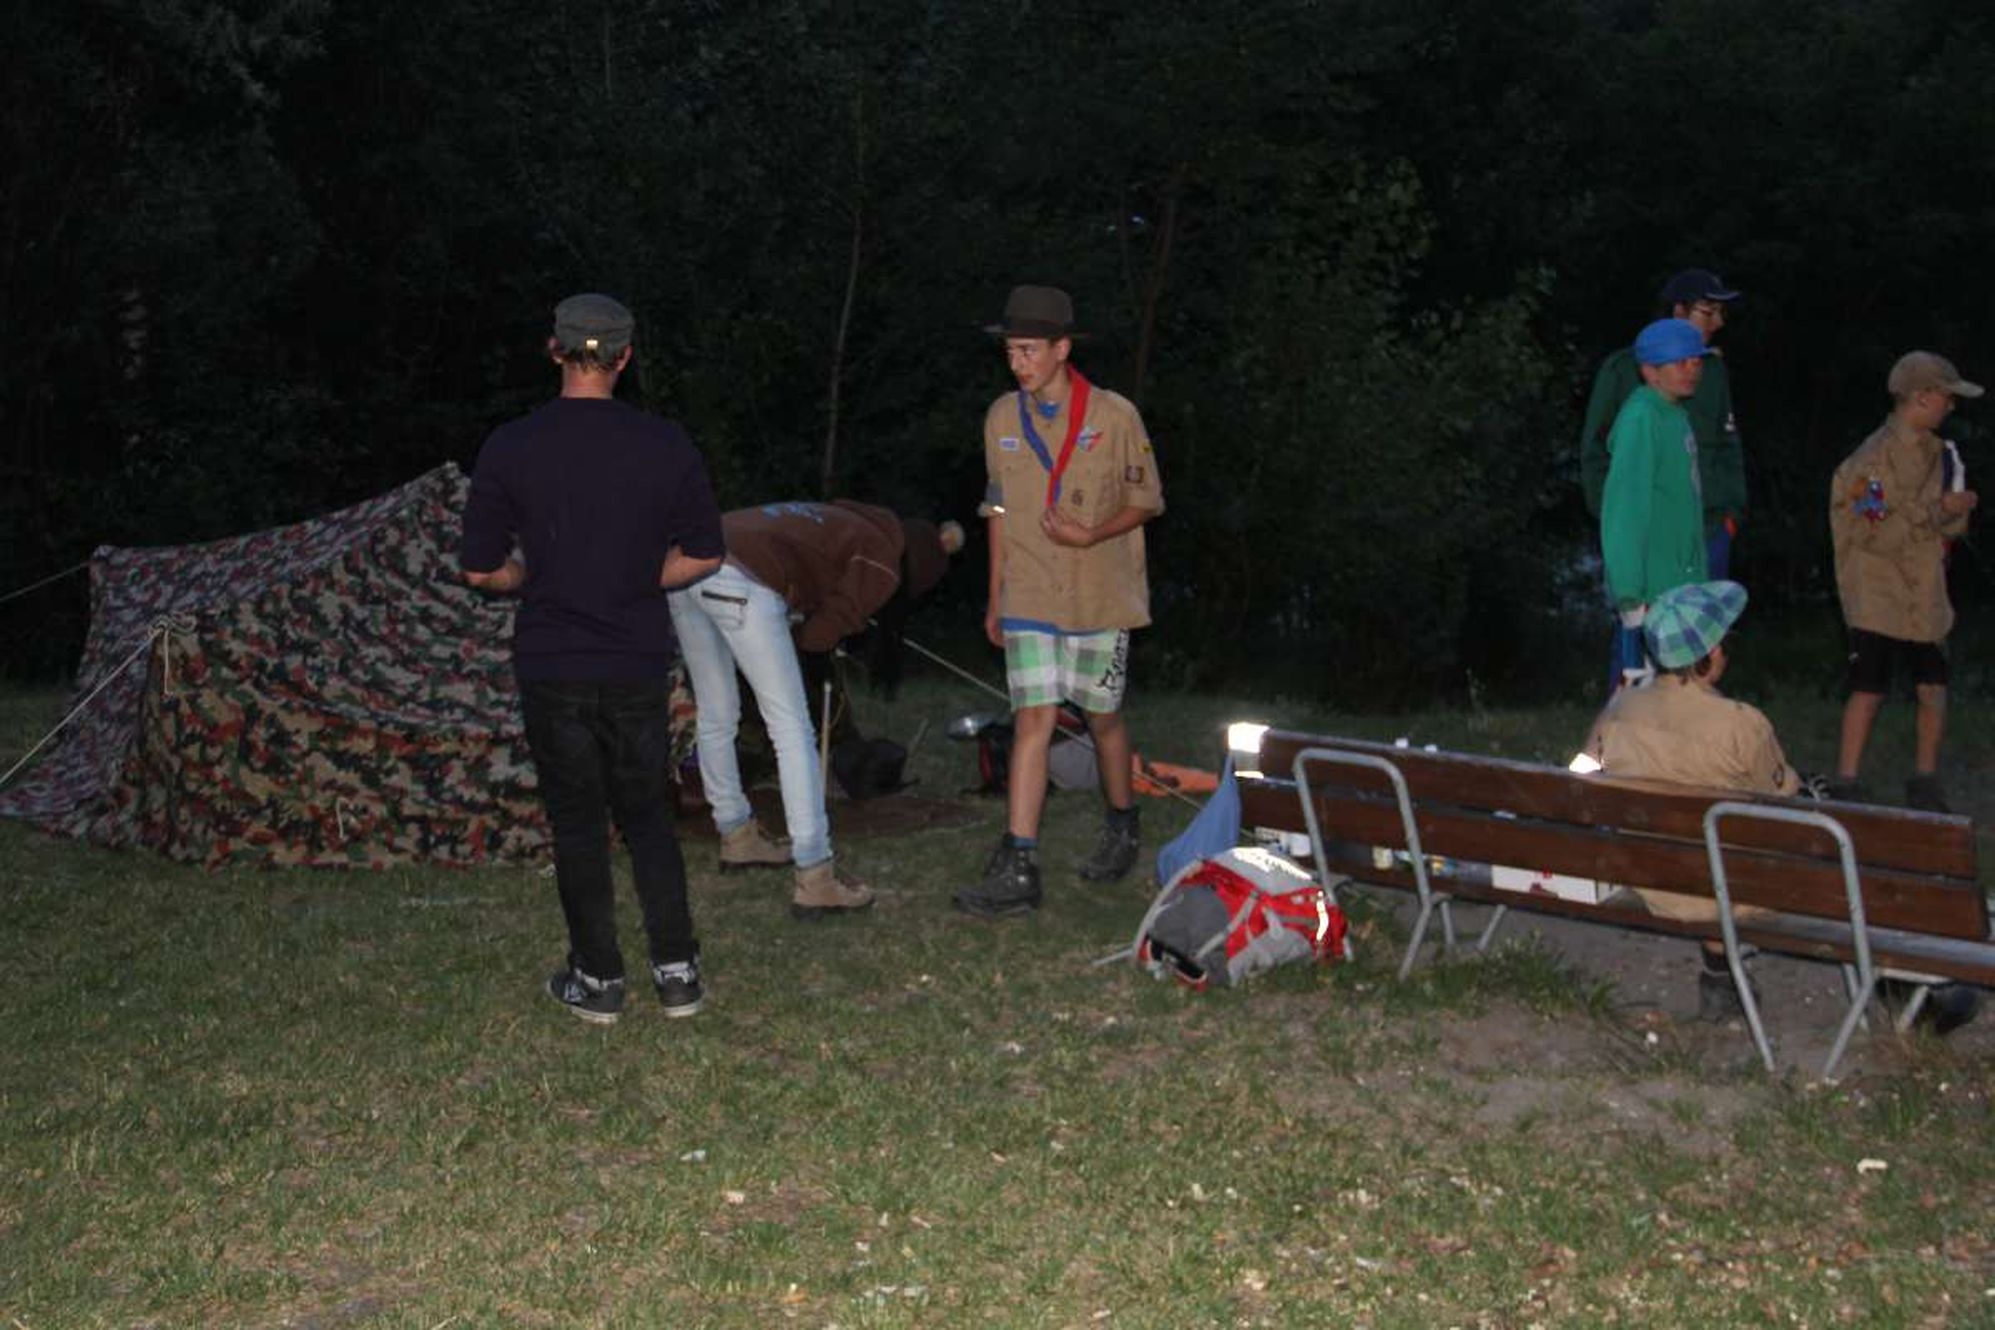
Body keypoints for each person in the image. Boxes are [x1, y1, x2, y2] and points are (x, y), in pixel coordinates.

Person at [460, 292, 725, 1024]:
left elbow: (480, 569)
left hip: (553, 661)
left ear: (554, 350)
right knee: (648, 818)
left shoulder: (512, 445)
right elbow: (705, 552)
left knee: (578, 823)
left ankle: (598, 980)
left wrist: (528, 577)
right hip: (635, 659)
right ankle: (677, 973)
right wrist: (637, 576)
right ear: (625, 357)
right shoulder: (664, 443)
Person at [955, 285, 1165, 918]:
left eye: (1028, 350)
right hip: (1029, 590)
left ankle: (1122, 822)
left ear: (1062, 349)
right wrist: (995, 596)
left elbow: (1147, 501)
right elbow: (996, 510)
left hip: (1098, 591)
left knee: (1102, 718)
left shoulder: (1115, 416)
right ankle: (1019, 863)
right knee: (1033, 720)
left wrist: (1091, 534)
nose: (1017, 363)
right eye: (1010, 351)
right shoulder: (1001, 418)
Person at [667, 500, 963, 917]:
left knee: (717, 714)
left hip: (686, 566)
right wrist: (812, 640)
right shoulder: (884, 559)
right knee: (791, 728)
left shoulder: (846, 520)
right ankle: (815, 873)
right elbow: (822, 632)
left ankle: (737, 836)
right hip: (741, 579)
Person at [1582, 580, 1797, 1021]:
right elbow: (1784, 801)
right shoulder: (1742, 725)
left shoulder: (1620, 710)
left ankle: (1721, 974)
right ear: (1713, 653)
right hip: (1722, 886)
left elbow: (1581, 775)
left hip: (1648, 876)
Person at [1828, 350, 1982, 813]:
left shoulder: (1942, 454)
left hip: (1925, 593)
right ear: (1922, 397)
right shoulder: (1868, 461)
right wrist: (1937, 511)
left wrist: (1957, 512)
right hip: (1876, 593)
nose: (1951, 406)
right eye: (1947, 397)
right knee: (1868, 687)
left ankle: (1925, 781)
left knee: (1933, 687)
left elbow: (1952, 528)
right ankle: (1847, 782)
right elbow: (1870, 529)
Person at [1581, 268, 1746, 577]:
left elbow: (1728, 446)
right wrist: (1616, 519)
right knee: (1640, 607)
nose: (1718, 322)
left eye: (1721, 313)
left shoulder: (1713, 372)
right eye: (1708, 312)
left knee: (1708, 610)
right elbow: (1596, 452)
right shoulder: (1623, 370)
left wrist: (1730, 516)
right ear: (1678, 311)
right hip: (1645, 535)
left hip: (1708, 531)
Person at [1598, 317, 1710, 691]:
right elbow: (1624, 510)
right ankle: (1604, 742)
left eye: (1696, 360)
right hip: (1652, 592)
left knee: (1682, 695)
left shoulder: (1675, 415)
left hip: (1680, 587)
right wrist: (1630, 593)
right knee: (1641, 701)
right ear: (1650, 371)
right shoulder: (1642, 419)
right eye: (1680, 362)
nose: (1692, 369)